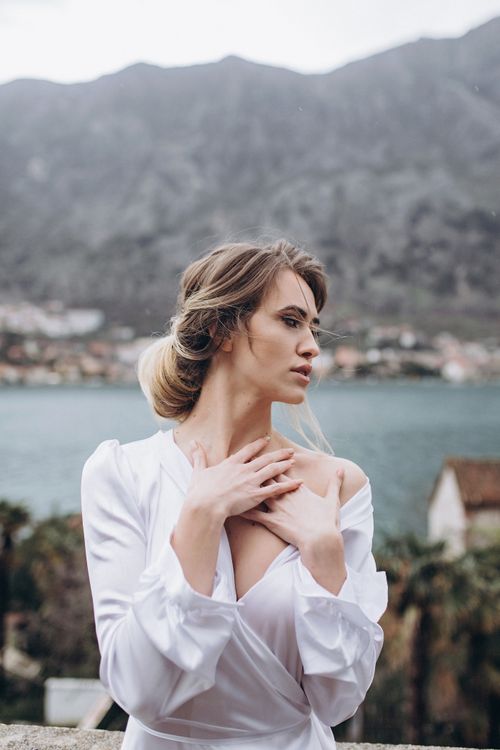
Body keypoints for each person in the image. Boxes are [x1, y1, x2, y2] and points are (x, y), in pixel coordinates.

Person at [80, 239, 388, 749]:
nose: (312, 346)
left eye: (313, 327)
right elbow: (136, 690)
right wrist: (200, 518)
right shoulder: (122, 473)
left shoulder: (337, 486)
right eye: (290, 321)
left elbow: (339, 700)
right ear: (221, 328)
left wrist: (325, 554)